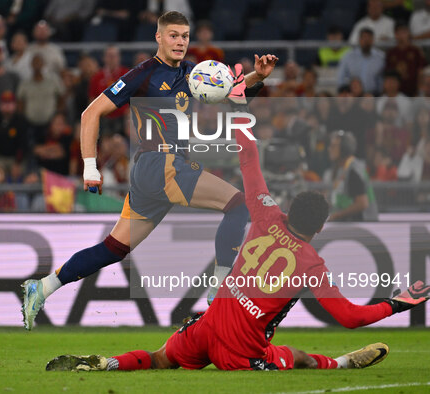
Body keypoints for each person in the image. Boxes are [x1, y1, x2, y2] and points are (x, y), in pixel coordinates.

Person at [45, 82, 430, 371]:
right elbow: (349, 317)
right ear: (320, 227)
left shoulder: (265, 212)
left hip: (206, 326)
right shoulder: (311, 262)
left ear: (288, 210)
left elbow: (248, 159)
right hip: (240, 351)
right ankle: (339, 364)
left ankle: (111, 363)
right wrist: (395, 304)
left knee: (162, 358)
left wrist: (241, 107)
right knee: (296, 358)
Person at [20, 11, 279, 330]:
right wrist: (90, 166)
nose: (180, 42)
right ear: (158, 37)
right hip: (161, 164)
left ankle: (42, 288)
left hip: (154, 173)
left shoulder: (192, 73)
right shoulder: (143, 74)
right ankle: (220, 291)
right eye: (173, 35)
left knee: (113, 249)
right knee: (239, 206)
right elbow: (91, 114)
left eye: (184, 36)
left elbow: (231, 94)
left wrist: (258, 77)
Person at [323, 130, 378, 222]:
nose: (329, 149)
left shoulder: (354, 170)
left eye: (333, 146)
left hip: (363, 224)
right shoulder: (342, 168)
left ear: (344, 148)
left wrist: (337, 215)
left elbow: (362, 203)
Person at [337, 28, 385, 95]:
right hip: (352, 95)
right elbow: (341, 78)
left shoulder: (380, 58)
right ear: (359, 40)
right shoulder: (348, 57)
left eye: (369, 38)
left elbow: (381, 80)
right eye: (364, 38)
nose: (366, 41)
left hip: (373, 95)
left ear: (373, 40)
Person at [385, 22, 426, 97]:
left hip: (412, 91)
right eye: (399, 33)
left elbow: (421, 72)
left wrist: (419, 90)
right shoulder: (391, 53)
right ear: (395, 35)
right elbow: (388, 74)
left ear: (408, 34)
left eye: (404, 32)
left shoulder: (416, 51)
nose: (401, 36)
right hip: (395, 93)